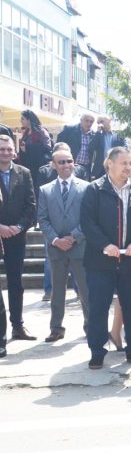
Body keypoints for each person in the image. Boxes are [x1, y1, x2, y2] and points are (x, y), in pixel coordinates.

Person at [80, 146, 131, 369]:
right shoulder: (94, 190)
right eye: (124, 163)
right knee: (99, 307)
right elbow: (87, 222)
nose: (129, 168)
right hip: (100, 261)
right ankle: (97, 351)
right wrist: (105, 244)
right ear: (109, 164)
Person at [37, 146, 90, 344]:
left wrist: (74, 237)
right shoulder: (45, 190)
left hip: (80, 246)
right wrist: (56, 240)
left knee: (86, 290)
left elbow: (89, 218)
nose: (67, 165)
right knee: (57, 291)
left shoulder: (86, 187)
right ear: (53, 165)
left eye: (69, 161)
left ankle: (90, 326)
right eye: (61, 162)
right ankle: (56, 328)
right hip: (56, 249)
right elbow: (42, 219)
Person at [0, 133, 36, 341]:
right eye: (1, 149)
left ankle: (17, 325)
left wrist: (19, 226)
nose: (5, 153)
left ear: (14, 151)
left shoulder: (24, 173)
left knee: (16, 282)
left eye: (8, 149)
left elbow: (31, 204)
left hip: (16, 236)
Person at [17, 110, 54, 187]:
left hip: (38, 166)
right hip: (27, 165)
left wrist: (27, 148)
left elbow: (47, 147)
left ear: (29, 119)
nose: (20, 121)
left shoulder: (41, 131)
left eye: (23, 118)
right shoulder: (26, 132)